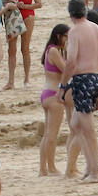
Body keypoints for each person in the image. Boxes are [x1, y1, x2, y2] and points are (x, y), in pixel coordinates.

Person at [64, 0, 98, 182]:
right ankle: (90, 167)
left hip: (83, 78)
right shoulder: (97, 29)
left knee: (87, 127)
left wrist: (63, 84)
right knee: (77, 124)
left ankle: (95, 171)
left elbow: (70, 61)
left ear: (71, 14)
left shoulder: (75, 31)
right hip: (96, 78)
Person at [37, 24, 69, 176]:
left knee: (47, 134)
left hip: (46, 93)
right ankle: (51, 167)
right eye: (66, 37)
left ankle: (43, 168)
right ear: (59, 36)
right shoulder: (55, 51)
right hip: (54, 95)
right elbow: (67, 69)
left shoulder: (49, 50)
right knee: (52, 135)